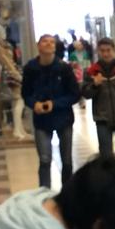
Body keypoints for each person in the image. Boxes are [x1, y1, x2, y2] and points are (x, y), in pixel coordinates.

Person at [22, 34, 80, 190]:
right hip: (42, 120)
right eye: (45, 42)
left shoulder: (64, 68)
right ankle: (43, 194)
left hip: (63, 118)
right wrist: (34, 104)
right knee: (44, 159)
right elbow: (25, 93)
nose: (49, 44)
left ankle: (67, 194)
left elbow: (74, 94)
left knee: (66, 161)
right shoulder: (30, 68)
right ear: (38, 45)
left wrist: (55, 104)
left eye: (52, 42)